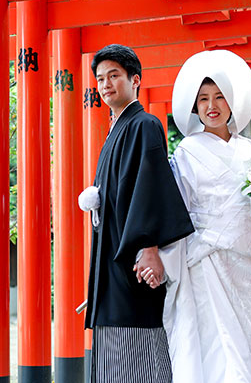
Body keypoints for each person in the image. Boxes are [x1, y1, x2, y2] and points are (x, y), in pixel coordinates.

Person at [159, 50, 251, 383]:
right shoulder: (186, 152)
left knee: (249, 341)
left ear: (232, 102)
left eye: (219, 96)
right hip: (208, 262)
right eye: (203, 98)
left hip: (249, 266)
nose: (212, 105)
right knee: (217, 343)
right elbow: (178, 208)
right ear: (194, 106)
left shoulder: (250, 150)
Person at [81, 44, 194, 382]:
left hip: (132, 258)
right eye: (100, 78)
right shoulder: (115, 130)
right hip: (112, 254)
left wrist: (149, 247)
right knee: (114, 340)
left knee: (138, 341)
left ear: (135, 80)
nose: (105, 84)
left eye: (114, 75)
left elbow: (150, 184)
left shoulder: (144, 124)